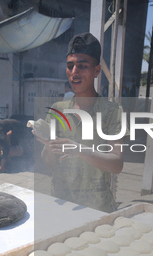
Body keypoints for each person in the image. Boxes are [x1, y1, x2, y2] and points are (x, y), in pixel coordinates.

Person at [37, 32, 124, 213]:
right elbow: (49, 164)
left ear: (97, 71)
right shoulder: (58, 110)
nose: (74, 72)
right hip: (62, 205)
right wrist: (48, 145)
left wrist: (79, 150)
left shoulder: (112, 112)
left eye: (82, 66)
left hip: (97, 208)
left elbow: (116, 164)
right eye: (70, 66)